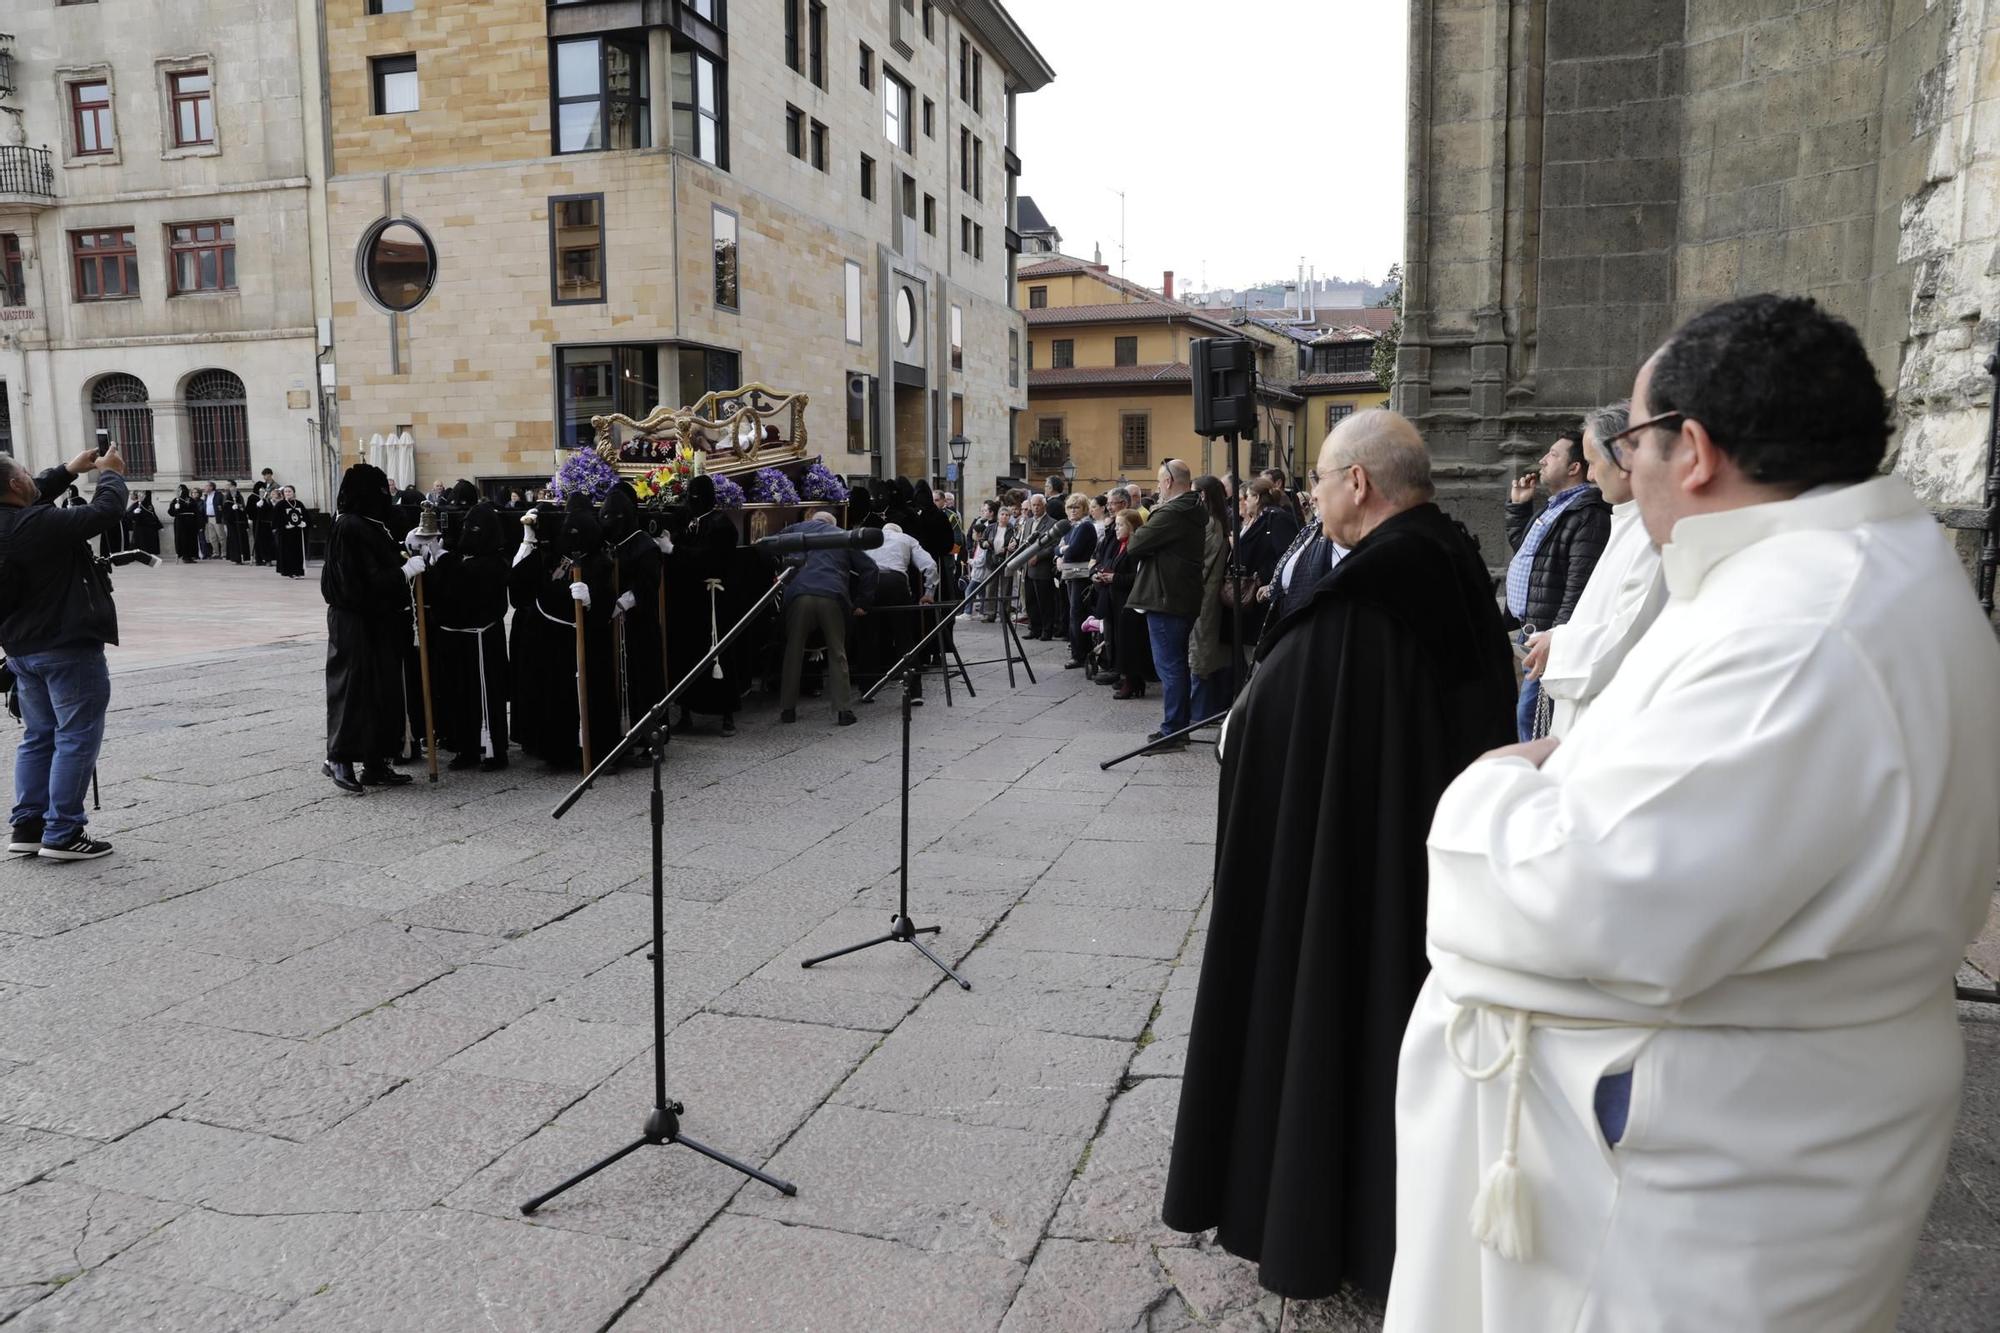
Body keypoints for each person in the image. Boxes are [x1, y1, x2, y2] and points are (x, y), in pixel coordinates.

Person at [1388, 295, 2000, 1332]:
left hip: (1692, 1181)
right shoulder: (1839, 576)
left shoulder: (1801, 624)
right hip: (1776, 1113)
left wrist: (1487, 782)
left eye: (1631, 442)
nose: (1624, 470)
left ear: (1697, 451)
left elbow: (1586, 900)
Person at [1163, 410, 1516, 1303]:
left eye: (1320, 477)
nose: (1313, 493)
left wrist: (1246, 731)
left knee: (1342, 1020)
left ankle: (1335, 1228)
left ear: (1358, 481)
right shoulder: (1449, 558)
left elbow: (1292, 722)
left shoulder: (1374, 593)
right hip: (1417, 857)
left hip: (1356, 872)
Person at [0, 442, 128, 860]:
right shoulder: (35, 524)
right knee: (75, 736)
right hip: (66, 645)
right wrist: (110, 474)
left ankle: (29, 825)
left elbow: (30, 493)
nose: (31, 478)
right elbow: (105, 512)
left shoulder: (15, 521)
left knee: (38, 736)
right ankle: (64, 832)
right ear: (17, 482)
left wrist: (68, 471)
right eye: (26, 472)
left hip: (21, 645)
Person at [1518, 401, 1666, 739]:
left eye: (1594, 462)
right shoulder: (1628, 519)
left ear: (1625, 459)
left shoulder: (1654, 532)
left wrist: (1559, 643)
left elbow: (1630, 633)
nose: (1589, 475)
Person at [1503, 428, 1611, 739]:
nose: (1542, 460)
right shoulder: (1556, 507)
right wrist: (1519, 506)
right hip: (1535, 634)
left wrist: (1558, 639)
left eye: (1552, 454)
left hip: (1550, 640)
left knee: (1534, 724)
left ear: (1575, 467)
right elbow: (1529, 552)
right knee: (1530, 721)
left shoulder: (1588, 513)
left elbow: (1579, 585)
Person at [320, 464, 420, 794]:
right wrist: (404, 572)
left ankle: (375, 762)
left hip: (378, 619)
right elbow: (364, 580)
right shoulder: (350, 526)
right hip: (354, 619)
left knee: (381, 690)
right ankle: (339, 758)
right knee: (352, 688)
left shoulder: (369, 524)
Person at [1122, 459, 1206, 748]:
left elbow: (1135, 545)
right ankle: (1178, 727)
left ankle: (1172, 730)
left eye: (1159, 482)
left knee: (1170, 667)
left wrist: (1154, 513)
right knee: (1176, 666)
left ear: (1169, 482)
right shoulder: (1193, 508)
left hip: (1165, 597)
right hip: (1181, 596)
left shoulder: (1172, 511)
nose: (1158, 488)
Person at [425, 499, 511, 770]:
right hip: (455, 637)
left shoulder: (494, 562)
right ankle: (466, 747)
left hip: (481, 638)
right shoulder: (462, 558)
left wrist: (442, 559)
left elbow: (466, 584)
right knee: (458, 695)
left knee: (486, 697)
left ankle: (494, 750)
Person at [775, 510, 877, 726]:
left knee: (794, 649)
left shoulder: (797, 529)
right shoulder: (842, 535)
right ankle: (843, 711)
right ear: (833, 523)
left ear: (813, 520)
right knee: (837, 651)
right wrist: (862, 602)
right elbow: (870, 568)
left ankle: (787, 709)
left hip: (799, 594)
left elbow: (773, 543)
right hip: (831, 594)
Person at [665, 474, 744, 735]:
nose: (692, 501)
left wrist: (674, 551)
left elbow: (709, 558)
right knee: (687, 653)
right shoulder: (690, 522)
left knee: (718, 652)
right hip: (690, 600)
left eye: (697, 496)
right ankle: (686, 710)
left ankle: (726, 715)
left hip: (714, 599)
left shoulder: (721, 525)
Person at [859, 519, 937, 697]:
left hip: (872, 581)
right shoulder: (906, 539)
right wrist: (929, 593)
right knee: (904, 636)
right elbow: (930, 565)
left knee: (868, 636)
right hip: (896, 583)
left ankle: (867, 688)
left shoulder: (870, 538)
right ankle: (914, 691)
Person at [1234, 478, 1301, 646]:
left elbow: (1287, 556)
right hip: (1254, 598)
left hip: (1264, 596)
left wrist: (1262, 576)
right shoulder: (1259, 519)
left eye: (1247, 497)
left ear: (1257, 498)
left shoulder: (1277, 519)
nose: (1245, 501)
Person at [1188, 474, 1233, 720]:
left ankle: (1200, 712)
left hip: (1204, 597)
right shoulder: (1216, 522)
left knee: (1201, 652)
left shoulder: (1210, 524)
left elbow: (1200, 562)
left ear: (1202, 495)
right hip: (1206, 595)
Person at [1055, 492, 1098, 668]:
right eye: (1070, 507)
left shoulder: (1085, 526)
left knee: (1077, 613)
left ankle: (1079, 654)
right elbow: (1055, 549)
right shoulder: (1072, 527)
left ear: (1084, 509)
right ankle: (1078, 651)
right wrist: (1061, 553)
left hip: (1080, 575)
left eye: (1077, 507)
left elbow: (1072, 550)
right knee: (1073, 612)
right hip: (1071, 573)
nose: (1073, 510)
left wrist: (1062, 551)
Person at [275, 486, 309, 578]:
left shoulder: (299, 504)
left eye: (289, 491)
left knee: (298, 552)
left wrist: (304, 523)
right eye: (286, 492)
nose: (288, 493)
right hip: (286, 534)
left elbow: (306, 516)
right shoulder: (280, 505)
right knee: (288, 553)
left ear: (293, 492)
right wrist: (284, 526)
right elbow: (276, 519)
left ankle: (298, 571)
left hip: (297, 532)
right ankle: (290, 572)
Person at [168, 485, 201, 563]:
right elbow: (171, 512)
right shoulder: (175, 500)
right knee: (182, 539)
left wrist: (198, 523)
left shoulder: (191, 500)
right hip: (180, 522)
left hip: (191, 522)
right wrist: (175, 508)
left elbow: (196, 512)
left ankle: (191, 555)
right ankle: (184, 556)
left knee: (191, 539)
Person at [249, 481, 279, 566]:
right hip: (258, 523)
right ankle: (259, 559)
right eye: (261, 490)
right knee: (259, 542)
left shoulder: (267, 499)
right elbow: (250, 511)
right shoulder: (252, 497)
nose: (262, 492)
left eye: (263, 490)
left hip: (266, 524)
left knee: (267, 542)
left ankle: (268, 559)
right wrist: (256, 507)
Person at [221, 481, 250, 564]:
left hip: (240, 523)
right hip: (232, 524)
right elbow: (225, 512)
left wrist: (240, 509)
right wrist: (231, 509)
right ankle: (236, 558)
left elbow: (243, 509)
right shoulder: (227, 500)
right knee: (235, 541)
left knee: (242, 540)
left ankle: (244, 557)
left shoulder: (239, 498)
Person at [127, 490, 163, 557]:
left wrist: (159, 525)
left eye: (143, 495)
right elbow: (128, 515)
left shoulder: (149, 505)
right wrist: (134, 513)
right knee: (141, 543)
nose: (142, 496)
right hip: (140, 527)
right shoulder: (136, 505)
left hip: (150, 527)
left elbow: (153, 515)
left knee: (150, 543)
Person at [201, 482, 225, 559]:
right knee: (212, 537)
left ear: (211, 487)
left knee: (221, 536)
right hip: (208, 518)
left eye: (206, 486)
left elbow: (222, 506)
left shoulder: (218, 495)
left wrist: (222, 516)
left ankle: (224, 553)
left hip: (217, 518)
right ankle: (216, 553)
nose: (204, 488)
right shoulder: (206, 496)